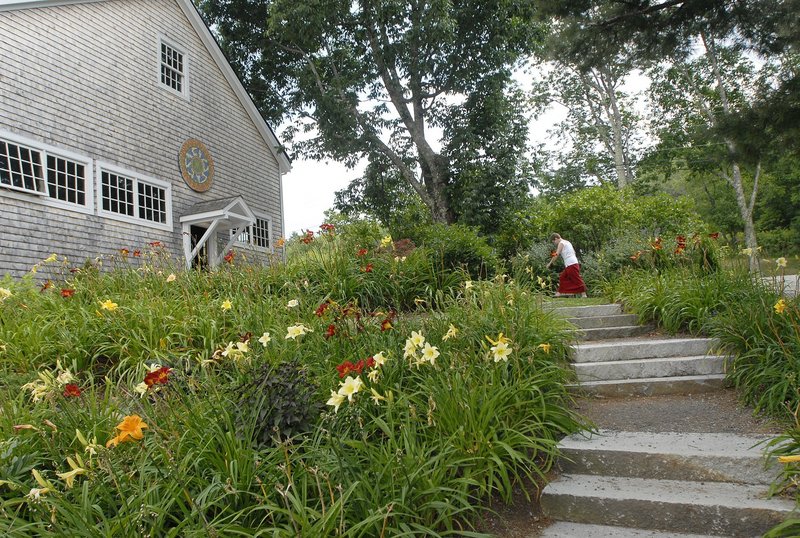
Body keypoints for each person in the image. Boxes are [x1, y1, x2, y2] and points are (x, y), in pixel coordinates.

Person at [546, 233, 587, 297]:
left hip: (571, 264)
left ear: (556, 239)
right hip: (571, 263)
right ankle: (559, 293)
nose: (554, 243)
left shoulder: (561, 243)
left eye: (554, 242)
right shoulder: (567, 242)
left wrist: (550, 263)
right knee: (562, 277)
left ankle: (584, 294)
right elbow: (574, 252)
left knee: (576, 279)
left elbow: (556, 254)